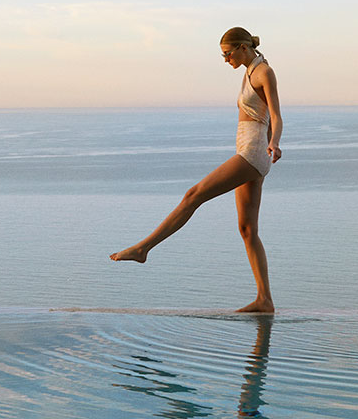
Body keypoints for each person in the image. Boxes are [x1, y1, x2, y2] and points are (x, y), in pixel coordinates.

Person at [111, 26, 282, 314]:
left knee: (194, 195)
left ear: (242, 47)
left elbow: (276, 115)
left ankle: (143, 249)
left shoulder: (264, 71)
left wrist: (274, 143)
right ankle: (264, 300)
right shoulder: (249, 70)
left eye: (227, 54)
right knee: (247, 229)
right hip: (248, 152)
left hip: (253, 154)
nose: (226, 60)